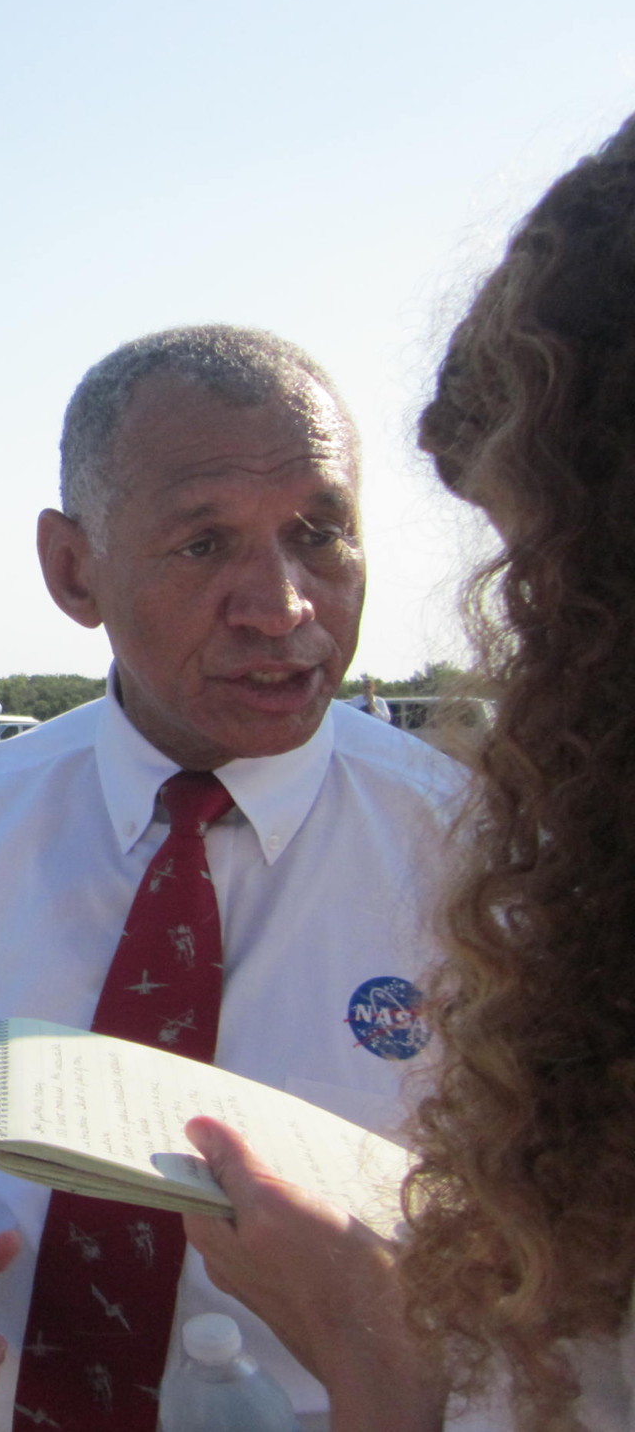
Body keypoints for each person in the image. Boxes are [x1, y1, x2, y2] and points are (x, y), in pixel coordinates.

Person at [0, 325, 466, 1432]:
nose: (280, 606)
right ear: (73, 570)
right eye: (203, 544)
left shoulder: (480, 862)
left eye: (320, 534)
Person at [180, 115, 635, 1432]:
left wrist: (361, 1335)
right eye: (204, 542)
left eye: (560, 579)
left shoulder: (453, 832)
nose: (538, 650)